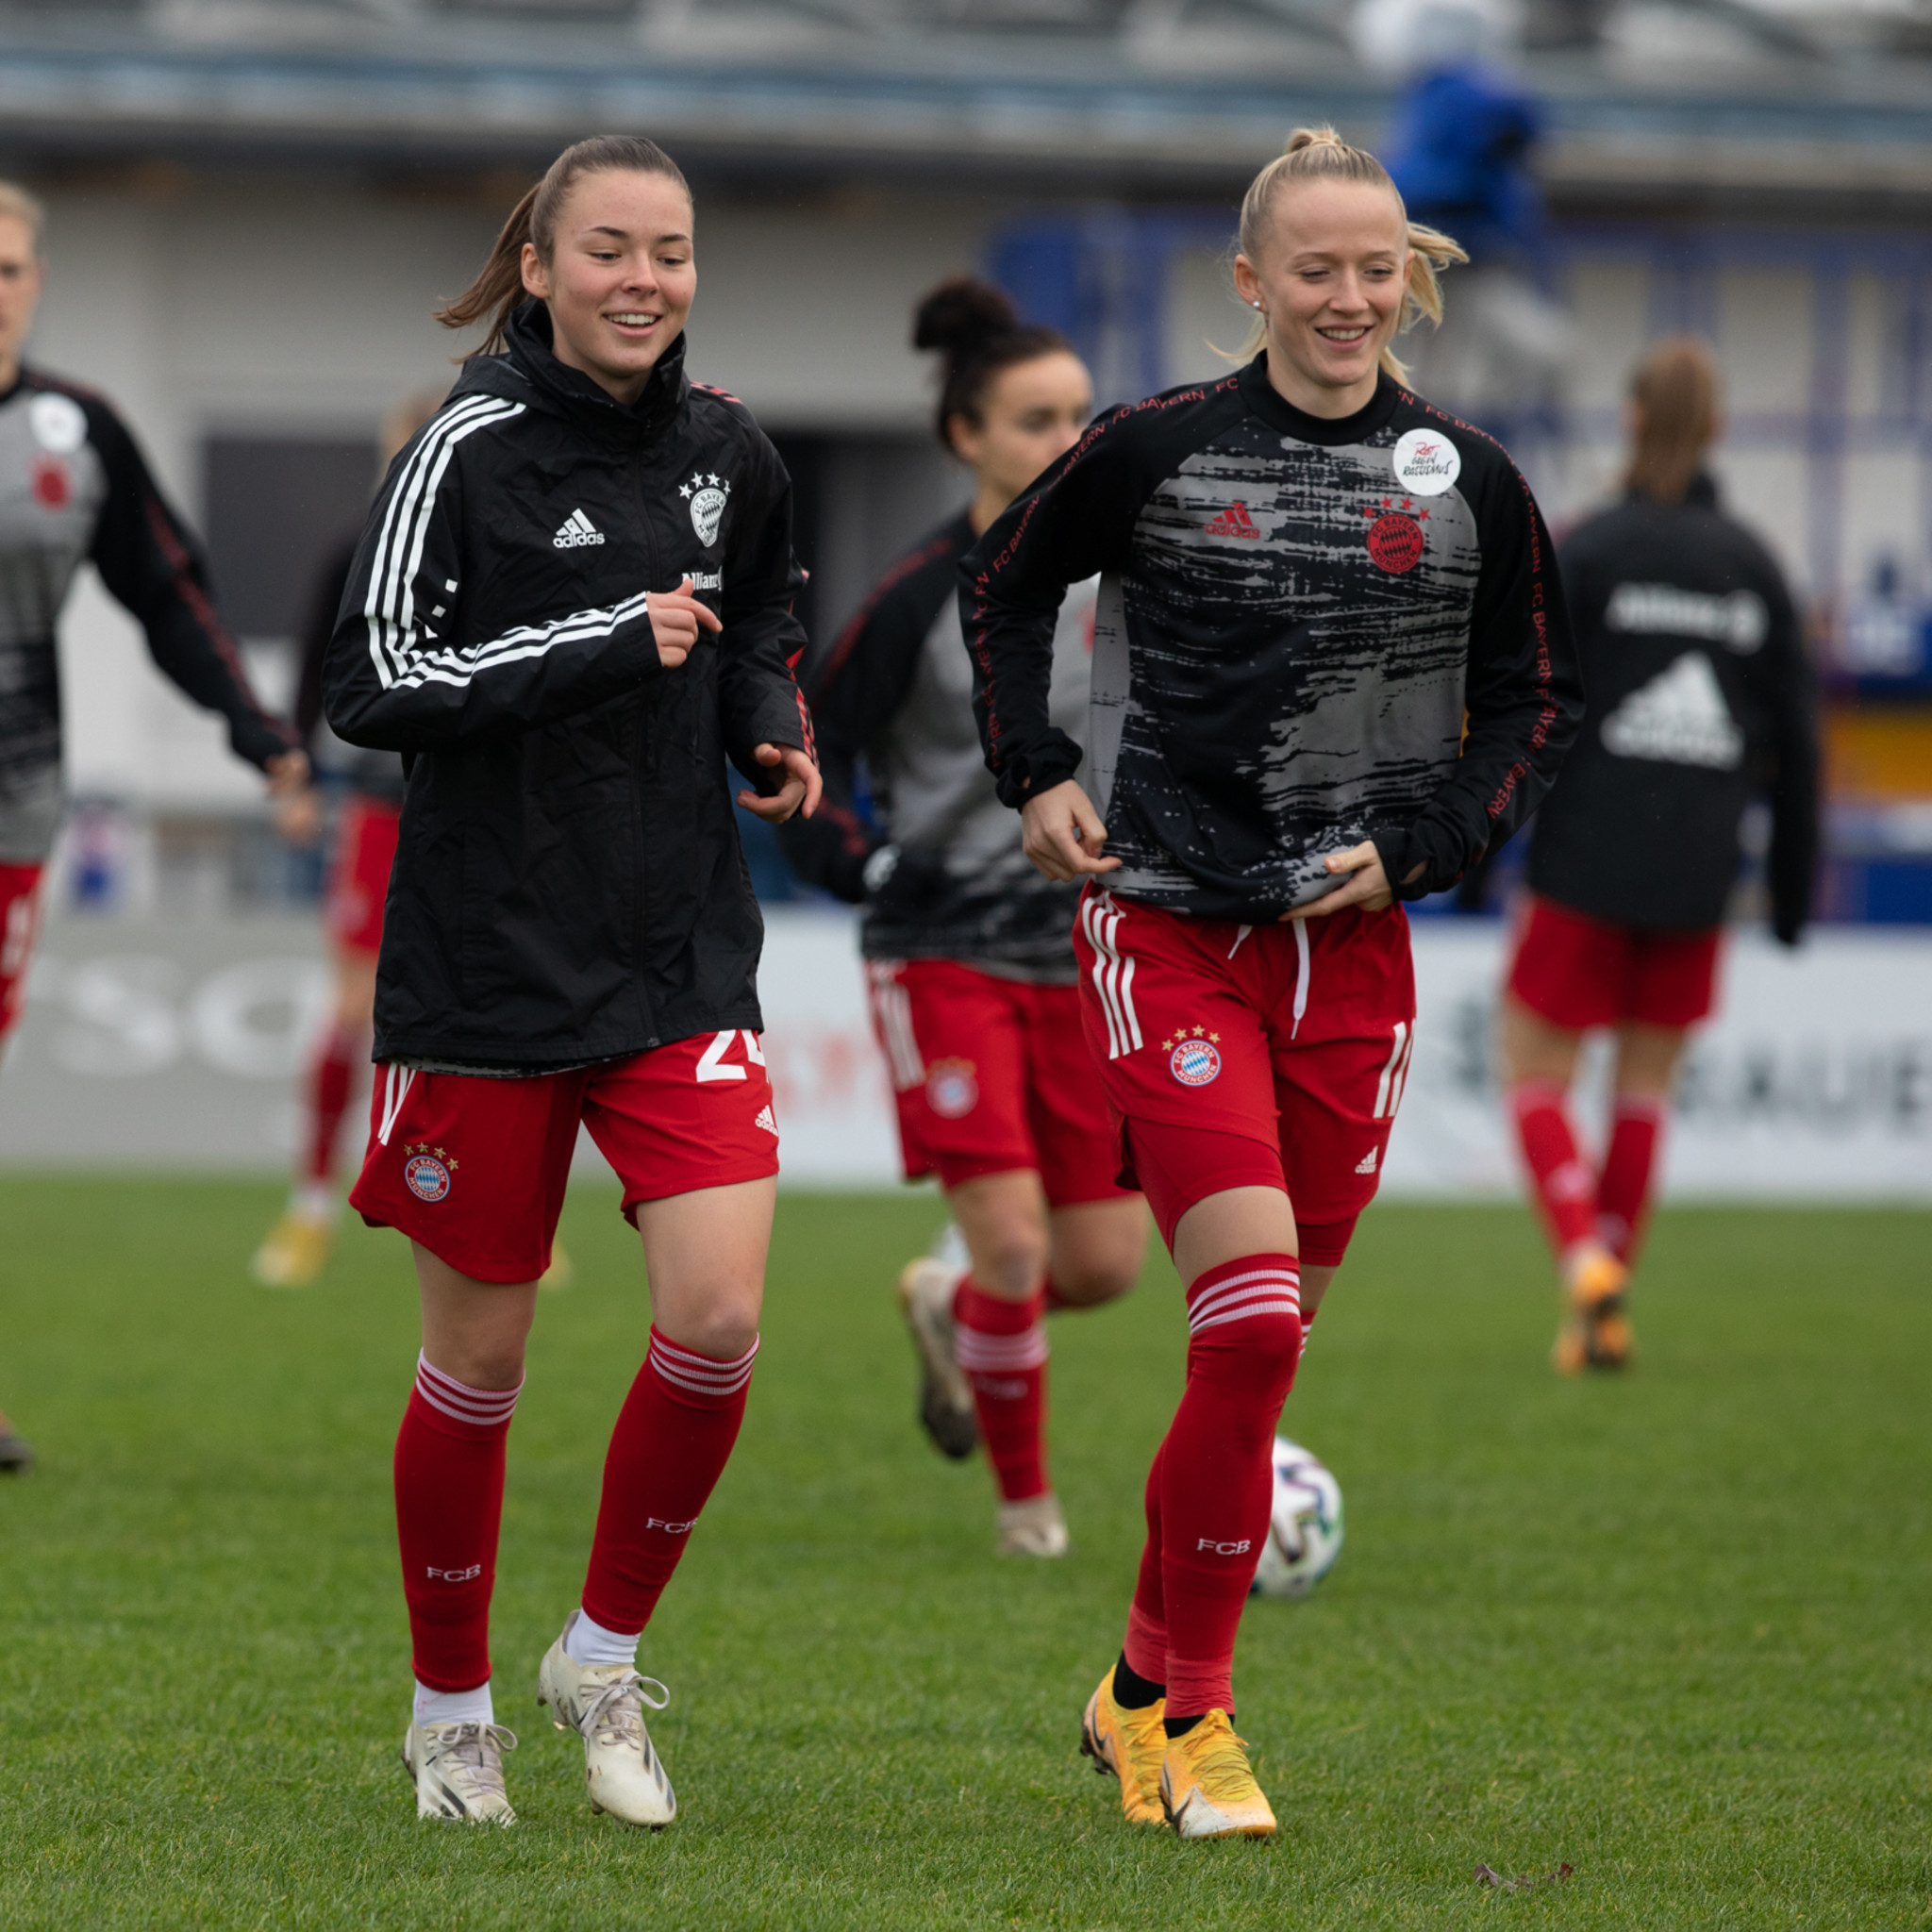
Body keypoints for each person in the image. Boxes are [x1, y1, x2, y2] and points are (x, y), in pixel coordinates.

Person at [961, 127, 1583, 1839]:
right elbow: (1004, 588)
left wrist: (1439, 838)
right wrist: (1033, 772)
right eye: (1311, 268)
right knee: (1240, 1316)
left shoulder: (1471, 480)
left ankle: (1132, 1681)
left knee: (1263, 1348)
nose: (1344, 295)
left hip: (1353, 958)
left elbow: (1535, 696)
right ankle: (1203, 1721)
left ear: (1408, 278)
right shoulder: (1157, 449)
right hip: (1164, 919)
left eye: (1372, 267)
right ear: (1249, 281)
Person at [322, 135, 820, 1829]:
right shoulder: (463, 445)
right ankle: (448, 1707)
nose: (643, 279)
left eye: (669, 251)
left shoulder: (727, 445)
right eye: (608, 247)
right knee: (479, 1366)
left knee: (721, 1313)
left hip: (678, 948)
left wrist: (770, 719)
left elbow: (758, 616)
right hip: (486, 967)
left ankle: (598, 1655)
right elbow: (372, 682)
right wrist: (600, 639)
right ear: (537, 263)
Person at [782, 278, 1147, 1558]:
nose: (1065, 442)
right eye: (1034, 420)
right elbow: (792, 753)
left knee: (1103, 1264)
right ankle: (1027, 1515)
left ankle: (945, 1304)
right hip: (940, 953)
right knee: (1011, 1238)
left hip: (1088, 955)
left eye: (1078, 418)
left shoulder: (1132, 578)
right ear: (966, 439)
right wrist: (865, 868)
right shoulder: (913, 599)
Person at [0, 179, 307, 1474]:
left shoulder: (80, 431)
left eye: (8, 265)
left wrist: (262, 736)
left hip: (12, 806)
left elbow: (171, 599)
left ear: (37, 279)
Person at [1500, 337, 1817, 1374]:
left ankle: (1581, 1256)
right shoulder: (1754, 566)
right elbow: (1797, 744)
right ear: (1718, 430)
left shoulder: (1587, 549)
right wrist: (1786, 892)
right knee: (1641, 1088)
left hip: (1582, 857)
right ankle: (1608, 1298)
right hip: (1695, 867)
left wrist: (1465, 854)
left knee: (1534, 1073)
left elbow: (1518, 706)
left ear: (1630, 420)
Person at [251, 394, 438, 1290]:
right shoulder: (355, 555)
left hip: (480, 819)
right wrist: (290, 773)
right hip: (377, 807)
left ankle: (513, 1210)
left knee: (499, 1016)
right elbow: (305, 674)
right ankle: (312, 1204)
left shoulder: (500, 554)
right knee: (352, 1008)